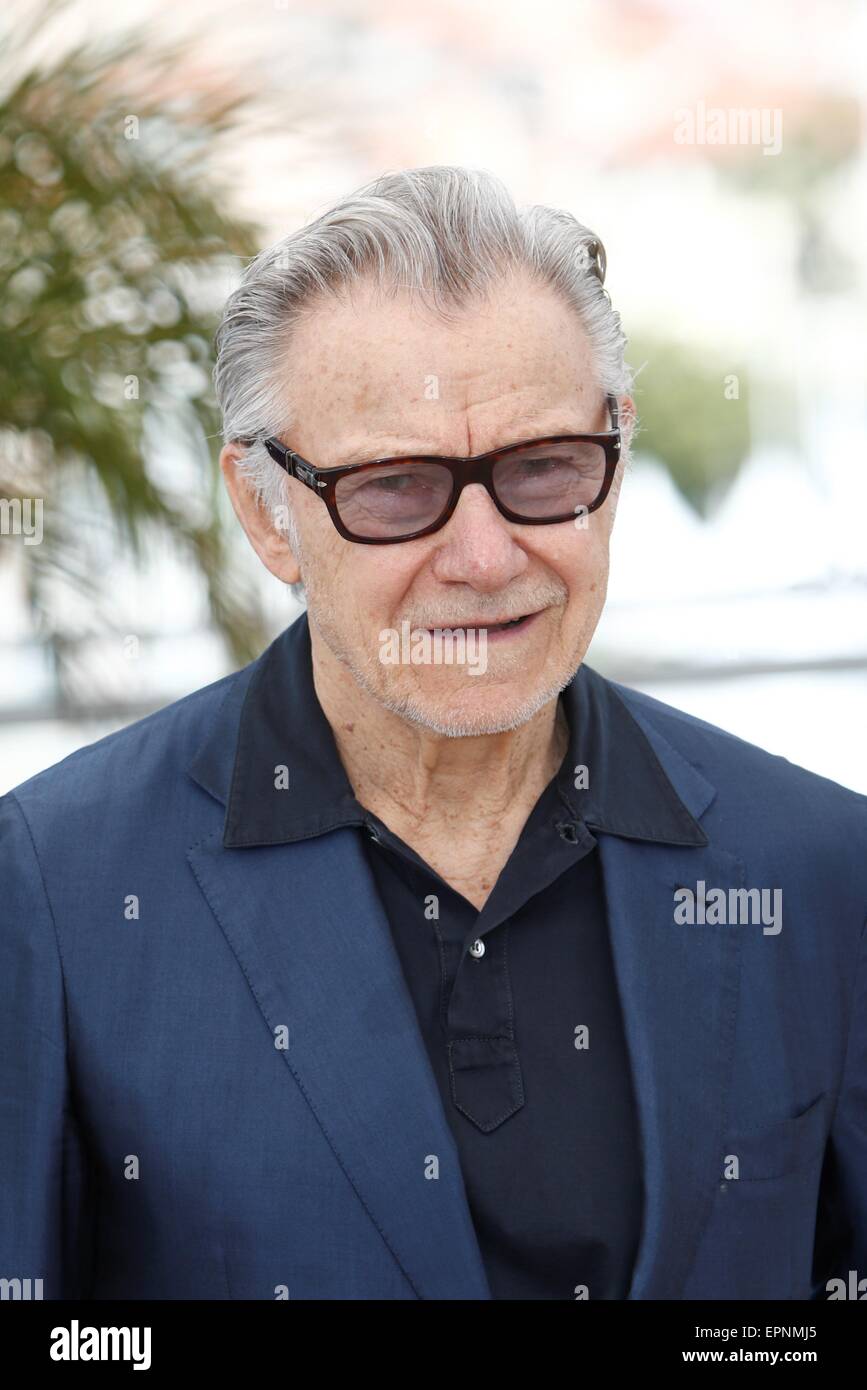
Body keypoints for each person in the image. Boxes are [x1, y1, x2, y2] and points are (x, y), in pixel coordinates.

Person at [2, 166, 865, 1301]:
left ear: (617, 455)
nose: (484, 557)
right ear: (267, 513)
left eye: (543, 468)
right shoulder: (52, 888)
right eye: (397, 487)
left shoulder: (824, 864)